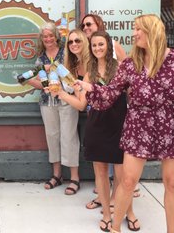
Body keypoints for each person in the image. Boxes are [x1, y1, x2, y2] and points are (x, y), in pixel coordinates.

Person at [75, 14, 174, 233]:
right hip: (138, 124)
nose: (134, 33)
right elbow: (112, 93)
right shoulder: (130, 63)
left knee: (172, 182)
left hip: (170, 125)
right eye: (134, 29)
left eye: (139, 29)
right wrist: (91, 89)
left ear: (153, 31)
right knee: (127, 181)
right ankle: (115, 228)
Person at [59, 30, 137, 232]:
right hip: (97, 125)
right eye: (94, 45)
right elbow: (82, 105)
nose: (97, 48)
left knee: (122, 176)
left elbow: (132, 96)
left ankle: (129, 212)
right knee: (101, 173)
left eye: (101, 44)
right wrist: (61, 93)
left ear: (108, 46)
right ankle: (106, 214)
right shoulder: (89, 74)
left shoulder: (120, 68)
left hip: (119, 124)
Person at [26, 22, 81, 195]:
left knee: (69, 136)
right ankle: (57, 175)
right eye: (45, 36)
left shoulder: (66, 52)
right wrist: (41, 85)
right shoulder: (41, 57)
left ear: (56, 36)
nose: (48, 39)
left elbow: (75, 73)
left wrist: (64, 85)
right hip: (47, 101)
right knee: (52, 136)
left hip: (66, 99)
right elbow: (33, 79)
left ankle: (75, 178)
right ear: (41, 39)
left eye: (51, 35)